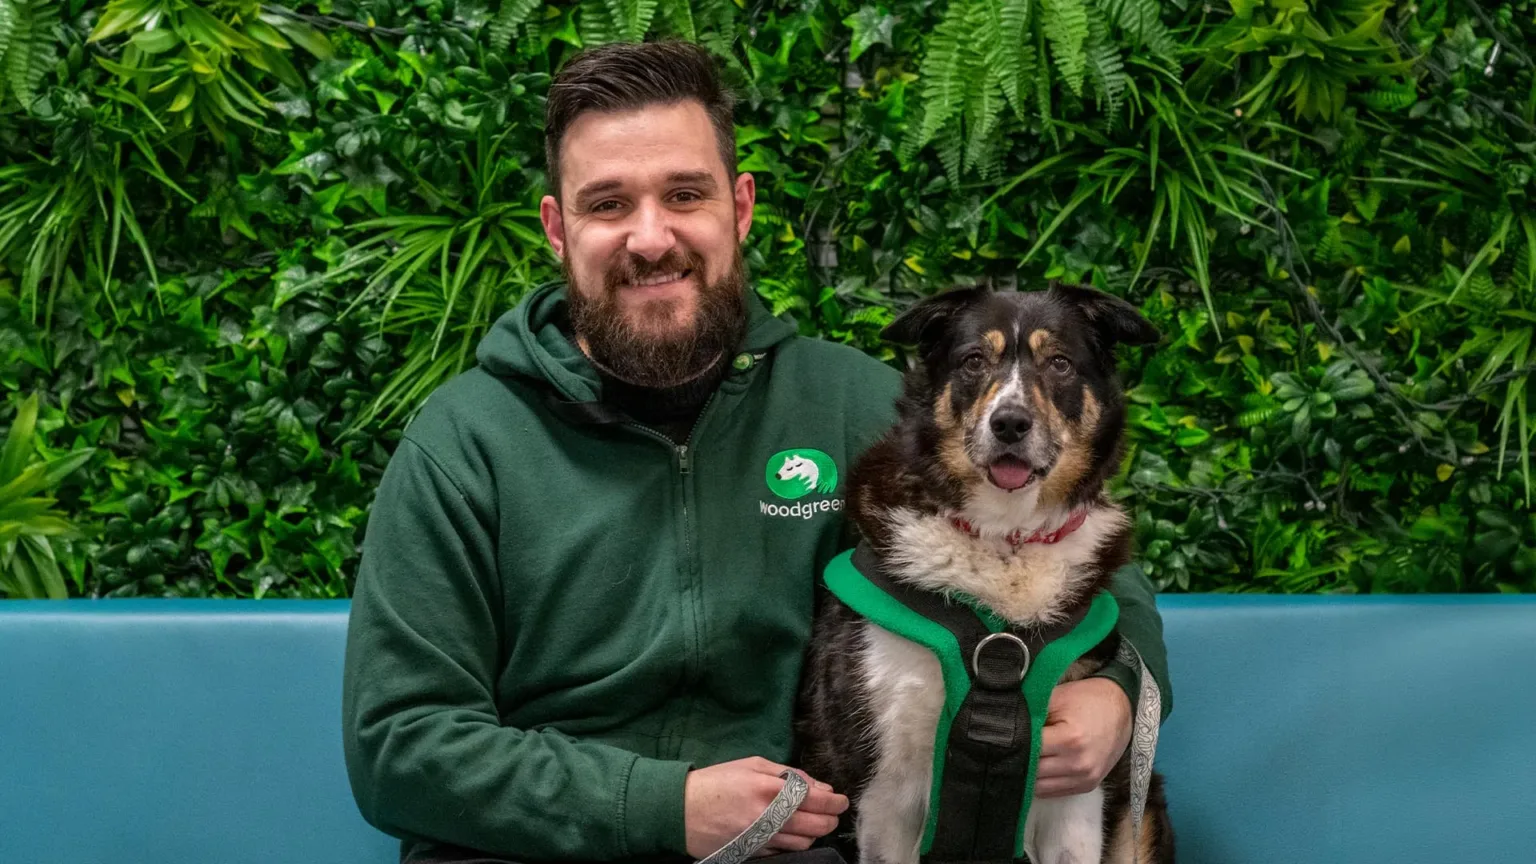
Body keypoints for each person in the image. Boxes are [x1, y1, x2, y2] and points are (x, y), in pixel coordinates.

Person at [341, 39, 1173, 864]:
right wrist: (664, 806)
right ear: (558, 229)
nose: (650, 236)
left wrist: (1118, 693)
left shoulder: (853, 404)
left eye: (684, 194)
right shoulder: (465, 441)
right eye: (608, 205)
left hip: (790, 851)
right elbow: (399, 749)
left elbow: (1082, 565)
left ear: (738, 208)